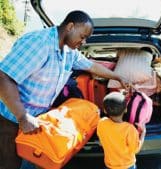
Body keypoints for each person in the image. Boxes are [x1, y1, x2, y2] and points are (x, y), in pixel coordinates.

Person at [0, 10, 128, 169]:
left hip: (40, 118)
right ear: (70, 26)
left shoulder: (70, 52)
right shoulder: (39, 43)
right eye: (83, 37)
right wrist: (22, 116)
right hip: (13, 117)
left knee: (38, 160)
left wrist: (117, 77)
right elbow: (4, 77)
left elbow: (92, 66)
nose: (84, 42)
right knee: (9, 162)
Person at [97, 92, 146, 169]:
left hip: (110, 165)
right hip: (127, 165)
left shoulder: (101, 123)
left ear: (105, 111)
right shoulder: (130, 129)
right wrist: (143, 134)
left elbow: (101, 139)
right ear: (126, 109)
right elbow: (135, 149)